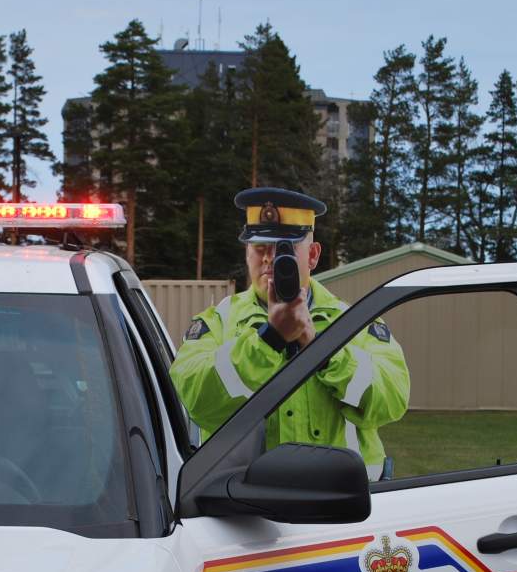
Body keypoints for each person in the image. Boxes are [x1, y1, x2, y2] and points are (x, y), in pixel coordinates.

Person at [169, 187, 409, 479]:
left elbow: (392, 400)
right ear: (247, 254)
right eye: (260, 248)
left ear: (313, 255)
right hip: (244, 508)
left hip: (341, 507)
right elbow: (197, 401)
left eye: (285, 248)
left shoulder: (354, 322)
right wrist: (269, 340)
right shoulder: (217, 323)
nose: (270, 259)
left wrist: (321, 350)